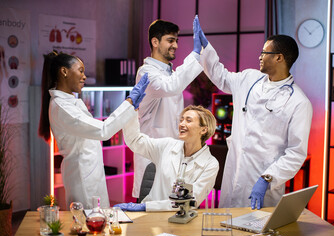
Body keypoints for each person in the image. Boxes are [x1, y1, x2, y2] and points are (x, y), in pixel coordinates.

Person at [194, 17, 313, 209]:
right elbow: (221, 76)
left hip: (262, 181)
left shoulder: (299, 102)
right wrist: (205, 48)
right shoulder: (249, 79)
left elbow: (296, 153)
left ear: (279, 57)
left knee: (257, 233)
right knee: (227, 228)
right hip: (234, 173)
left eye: (264, 52)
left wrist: (267, 178)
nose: (260, 56)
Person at [38, 51, 149, 209]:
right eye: (81, 71)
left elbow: (97, 129)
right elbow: (103, 131)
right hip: (82, 175)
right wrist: (129, 102)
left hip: (91, 169)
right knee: (89, 221)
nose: (84, 77)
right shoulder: (62, 107)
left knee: (98, 218)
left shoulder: (72, 101)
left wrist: (130, 106)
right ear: (64, 71)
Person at [132, 17, 204, 199]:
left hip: (173, 152)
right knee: (148, 211)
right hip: (152, 154)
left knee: (171, 211)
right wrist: (195, 55)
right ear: (155, 42)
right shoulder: (146, 72)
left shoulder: (170, 73)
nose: (176, 46)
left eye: (176, 41)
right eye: (170, 40)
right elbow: (170, 87)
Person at [116, 105, 219, 211]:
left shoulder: (210, 164)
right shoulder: (167, 146)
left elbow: (191, 201)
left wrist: (146, 207)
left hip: (180, 218)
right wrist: (131, 111)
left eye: (188, 121)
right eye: (181, 120)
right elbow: (135, 141)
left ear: (203, 130)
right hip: (150, 215)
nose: (182, 124)